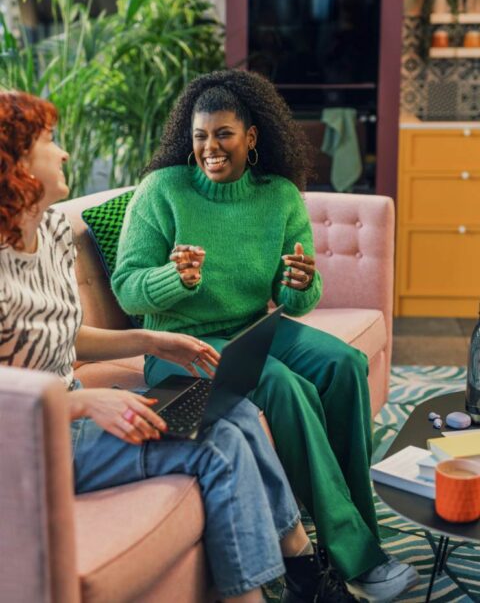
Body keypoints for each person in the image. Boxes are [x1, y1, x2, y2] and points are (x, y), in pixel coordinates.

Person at [0, 90, 346, 603]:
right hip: (27, 441)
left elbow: (62, 336)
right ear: (16, 166)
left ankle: (298, 566)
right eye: (49, 142)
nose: (65, 153)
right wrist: (82, 401)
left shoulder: (48, 231)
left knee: (235, 413)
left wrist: (155, 340)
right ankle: (265, 587)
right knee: (218, 444)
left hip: (70, 407)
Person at [112, 69, 420, 603]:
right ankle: (357, 559)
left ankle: (362, 527)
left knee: (343, 364)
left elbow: (298, 293)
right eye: (201, 136)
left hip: (253, 329)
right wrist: (172, 279)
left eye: (224, 134)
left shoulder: (278, 197)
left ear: (250, 136)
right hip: (180, 347)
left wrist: (300, 282)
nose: (211, 147)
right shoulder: (163, 191)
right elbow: (126, 290)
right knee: (282, 386)